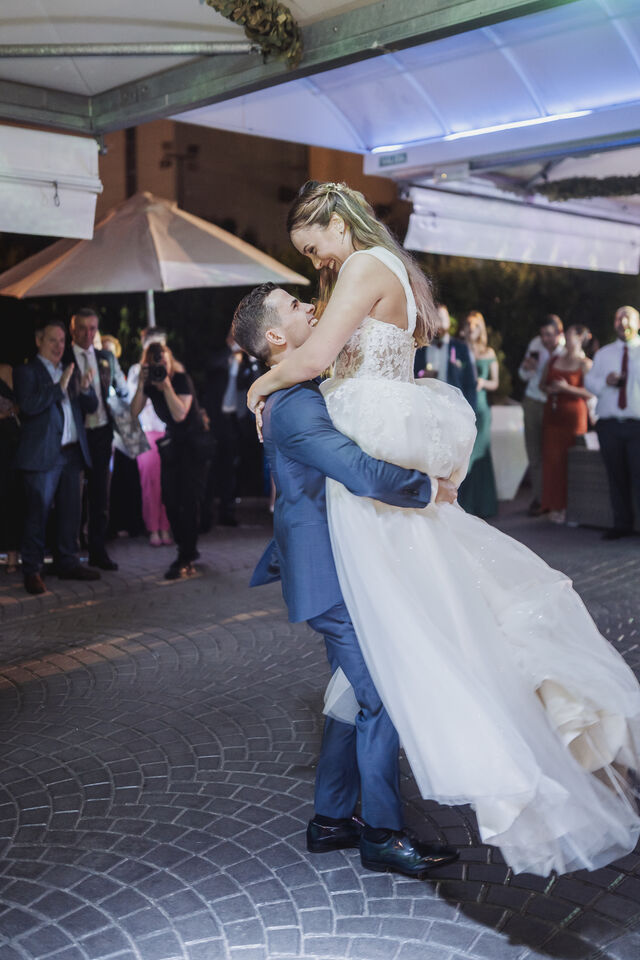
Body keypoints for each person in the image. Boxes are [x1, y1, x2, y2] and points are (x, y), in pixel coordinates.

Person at [245, 180, 640, 877]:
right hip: (360, 513)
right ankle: (362, 825)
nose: (316, 266)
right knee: (381, 676)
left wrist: (259, 384)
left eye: (312, 246)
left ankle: (349, 820)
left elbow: (317, 370)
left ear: (336, 220)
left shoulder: (361, 272)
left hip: (373, 505)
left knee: (384, 671)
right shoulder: (377, 275)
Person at [233, 283, 459, 878]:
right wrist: (428, 488)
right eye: (295, 306)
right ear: (275, 335)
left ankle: (331, 819)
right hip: (326, 578)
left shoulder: (291, 390)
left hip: (334, 567)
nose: (310, 306)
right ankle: (382, 834)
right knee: (380, 693)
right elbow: (356, 470)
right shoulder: (294, 405)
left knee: (347, 691)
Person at [13, 319, 101, 595]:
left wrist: (85, 389)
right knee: (37, 514)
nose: (59, 346)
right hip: (42, 456)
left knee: (71, 514)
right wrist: (58, 387)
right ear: (39, 341)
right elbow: (28, 406)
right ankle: (32, 570)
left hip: (71, 453)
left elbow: (91, 406)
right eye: (53, 340)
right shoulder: (26, 371)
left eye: (62, 341)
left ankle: (68, 563)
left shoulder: (69, 370)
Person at [130, 341, 209, 579]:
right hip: (173, 444)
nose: (160, 365)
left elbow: (180, 414)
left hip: (193, 444)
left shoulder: (181, 380)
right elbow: (133, 412)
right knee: (170, 499)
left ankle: (186, 555)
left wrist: (166, 386)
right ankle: (186, 549)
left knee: (188, 500)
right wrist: (142, 385)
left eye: (163, 360)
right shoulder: (150, 384)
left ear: (170, 360)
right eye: (155, 362)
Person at [68, 307, 129, 570]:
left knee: (100, 495)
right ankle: (70, 550)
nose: (88, 333)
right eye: (82, 328)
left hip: (103, 432)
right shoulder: (65, 356)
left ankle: (98, 550)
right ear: (73, 330)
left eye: (92, 328)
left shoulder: (106, 357)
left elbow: (122, 391)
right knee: (73, 496)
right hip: (76, 435)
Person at [585, 305, 640, 540]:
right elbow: (589, 382)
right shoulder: (604, 354)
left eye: (628, 319)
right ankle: (622, 524)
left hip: (637, 425)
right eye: (619, 319)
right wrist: (605, 382)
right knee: (616, 477)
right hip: (609, 424)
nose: (623, 323)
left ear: (637, 323)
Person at [540, 325, 593, 524]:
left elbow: (591, 392)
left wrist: (566, 388)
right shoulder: (554, 360)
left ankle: (573, 507)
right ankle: (554, 505)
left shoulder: (585, 364)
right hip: (553, 414)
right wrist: (550, 389)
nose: (566, 340)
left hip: (573, 418)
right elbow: (541, 384)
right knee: (552, 462)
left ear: (580, 338)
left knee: (571, 462)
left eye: (569, 336)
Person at [127, 329, 171, 547]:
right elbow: (133, 407)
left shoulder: (168, 369)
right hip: (145, 432)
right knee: (150, 483)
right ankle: (153, 527)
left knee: (167, 482)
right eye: (153, 347)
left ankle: (165, 526)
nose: (157, 353)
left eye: (160, 347)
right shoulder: (137, 371)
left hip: (167, 431)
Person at [518, 316, 565, 516]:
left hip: (555, 405)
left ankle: (556, 499)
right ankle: (539, 498)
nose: (544, 339)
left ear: (559, 333)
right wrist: (526, 368)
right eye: (542, 334)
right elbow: (523, 375)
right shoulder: (535, 344)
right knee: (534, 452)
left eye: (549, 335)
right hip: (533, 401)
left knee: (553, 453)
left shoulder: (566, 350)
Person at [457, 311, 498, 518]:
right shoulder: (459, 349)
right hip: (462, 405)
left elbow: (495, 382)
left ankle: (482, 504)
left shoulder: (488, 352)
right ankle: (463, 502)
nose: (471, 329)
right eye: (468, 324)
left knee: (479, 453)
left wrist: (483, 382)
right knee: (464, 451)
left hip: (481, 408)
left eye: (475, 325)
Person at [414, 303, 477, 412]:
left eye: (442, 318)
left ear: (448, 321)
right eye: (436, 318)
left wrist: (470, 412)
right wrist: (422, 374)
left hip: (454, 407)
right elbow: (413, 375)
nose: (440, 323)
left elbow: (470, 383)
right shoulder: (420, 348)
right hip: (427, 406)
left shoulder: (461, 348)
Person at [0, 363, 22, 574]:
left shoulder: (6, 371)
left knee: (8, 496)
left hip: (7, 442)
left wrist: (7, 413)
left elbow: (21, 404)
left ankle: (12, 555)